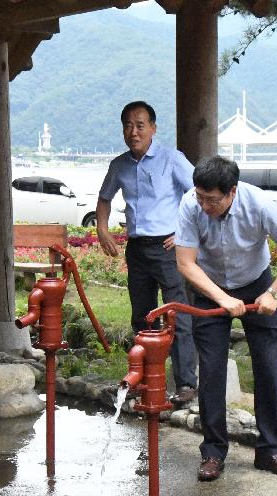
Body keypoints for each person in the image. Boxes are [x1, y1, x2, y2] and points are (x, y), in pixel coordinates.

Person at [175, 155, 277, 482]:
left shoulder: (258, 204)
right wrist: (222, 299)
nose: (205, 205)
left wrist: (273, 293)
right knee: (212, 370)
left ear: (232, 192)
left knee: (267, 364)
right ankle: (213, 452)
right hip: (211, 286)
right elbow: (186, 262)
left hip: (256, 282)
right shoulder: (191, 204)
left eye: (213, 200)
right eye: (201, 197)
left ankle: (271, 450)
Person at [96, 101, 197, 403]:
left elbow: (198, 193)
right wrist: (102, 229)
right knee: (142, 317)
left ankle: (186, 384)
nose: (133, 131)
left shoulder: (171, 159)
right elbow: (104, 199)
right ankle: (144, 381)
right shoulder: (120, 165)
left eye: (140, 125)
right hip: (137, 249)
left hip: (168, 248)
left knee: (175, 314)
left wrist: (183, 233)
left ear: (153, 128)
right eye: (128, 125)